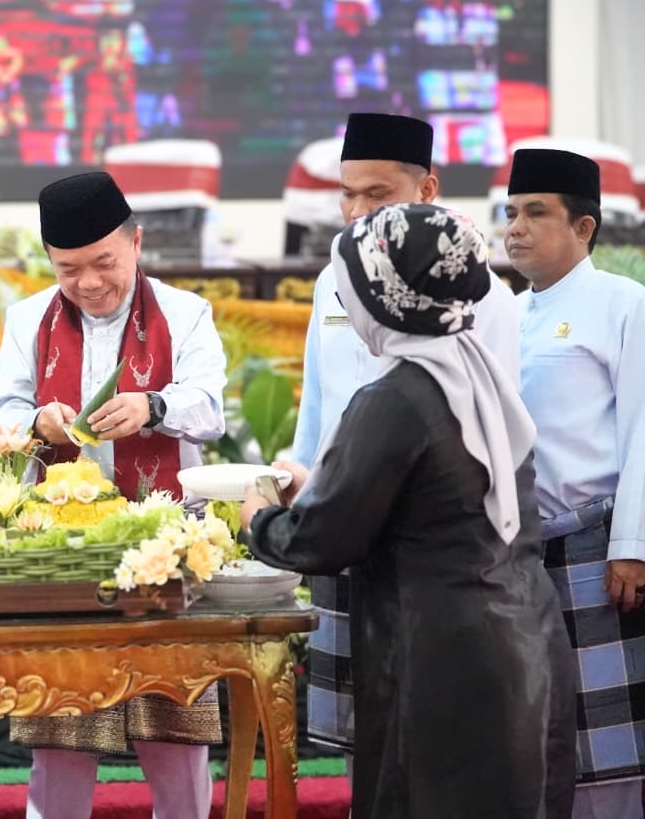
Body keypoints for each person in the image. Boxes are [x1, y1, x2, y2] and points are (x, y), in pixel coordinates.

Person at [242, 202, 576, 818]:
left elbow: (319, 541)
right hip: (525, 643)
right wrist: (323, 485)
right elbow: (438, 502)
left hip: (442, 662)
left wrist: (259, 513)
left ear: (387, 298)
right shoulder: (478, 378)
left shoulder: (395, 397)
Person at [0, 171, 228, 819]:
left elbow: (209, 409)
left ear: (136, 242)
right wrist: (35, 422)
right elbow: (0, 418)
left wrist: (153, 407)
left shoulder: (185, 312)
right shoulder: (27, 318)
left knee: (175, 730)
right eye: (68, 269)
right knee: (60, 731)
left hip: (164, 545)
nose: (89, 283)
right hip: (60, 549)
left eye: (104, 263)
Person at [290, 112, 521, 767]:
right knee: (360, 735)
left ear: (427, 190)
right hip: (343, 524)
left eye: (378, 194)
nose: (357, 212)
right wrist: (300, 484)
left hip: (427, 552)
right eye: (348, 194)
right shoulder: (333, 280)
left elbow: (494, 430)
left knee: (427, 732)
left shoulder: (483, 295)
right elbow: (318, 404)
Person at [504, 147, 645, 819]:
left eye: (536, 212)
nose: (516, 228)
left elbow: (644, 428)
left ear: (584, 227)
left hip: (597, 549)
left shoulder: (625, 305)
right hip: (519, 556)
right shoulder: (503, 314)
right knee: (534, 733)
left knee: (607, 744)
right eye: (511, 212)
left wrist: (632, 544)